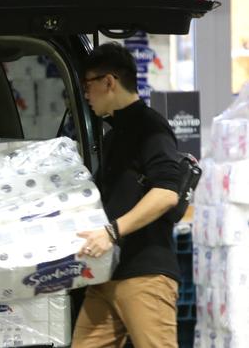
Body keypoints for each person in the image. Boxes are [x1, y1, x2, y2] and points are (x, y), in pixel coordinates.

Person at [72, 42, 181, 348]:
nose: (85, 95)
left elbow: (166, 193)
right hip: (107, 274)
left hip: (144, 273)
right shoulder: (113, 136)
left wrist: (112, 231)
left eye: (88, 85)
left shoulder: (150, 127)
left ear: (109, 82)